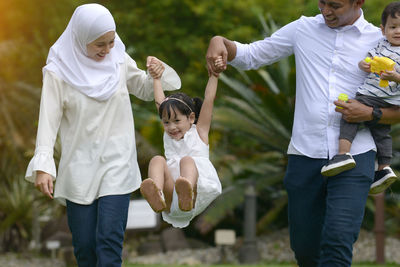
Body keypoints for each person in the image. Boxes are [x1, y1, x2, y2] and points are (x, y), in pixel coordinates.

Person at [206, 0, 400, 266]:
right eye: (322, 2)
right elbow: (251, 55)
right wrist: (220, 42)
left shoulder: (382, 39)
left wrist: (371, 114)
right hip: (304, 154)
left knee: (338, 240)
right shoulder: (302, 29)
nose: (326, 10)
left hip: (356, 155)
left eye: (335, 5)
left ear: (359, 2)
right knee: (305, 248)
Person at [24, 4, 180, 267]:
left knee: (108, 242)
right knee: (84, 248)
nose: (107, 49)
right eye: (100, 44)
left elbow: (143, 88)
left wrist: (156, 74)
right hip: (78, 169)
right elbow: (48, 121)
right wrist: (43, 165)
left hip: (117, 164)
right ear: (80, 38)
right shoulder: (57, 72)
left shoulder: (118, 60)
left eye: (111, 41)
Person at [321, 1, 400, 195]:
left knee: (349, 114)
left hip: (378, 98)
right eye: (393, 27)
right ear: (383, 30)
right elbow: (366, 61)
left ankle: (343, 154)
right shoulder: (381, 45)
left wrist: (395, 77)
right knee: (381, 132)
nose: (398, 32)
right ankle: (383, 169)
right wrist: (364, 64)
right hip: (374, 93)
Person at [139, 56, 223, 228]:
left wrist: (214, 76)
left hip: (196, 194)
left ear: (191, 118)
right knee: (157, 160)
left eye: (177, 121)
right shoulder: (168, 132)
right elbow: (159, 101)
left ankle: (188, 191)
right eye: (166, 122)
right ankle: (157, 193)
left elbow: (209, 100)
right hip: (170, 201)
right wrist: (156, 79)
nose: (171, 127)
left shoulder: (199, 132)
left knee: (187, 160)